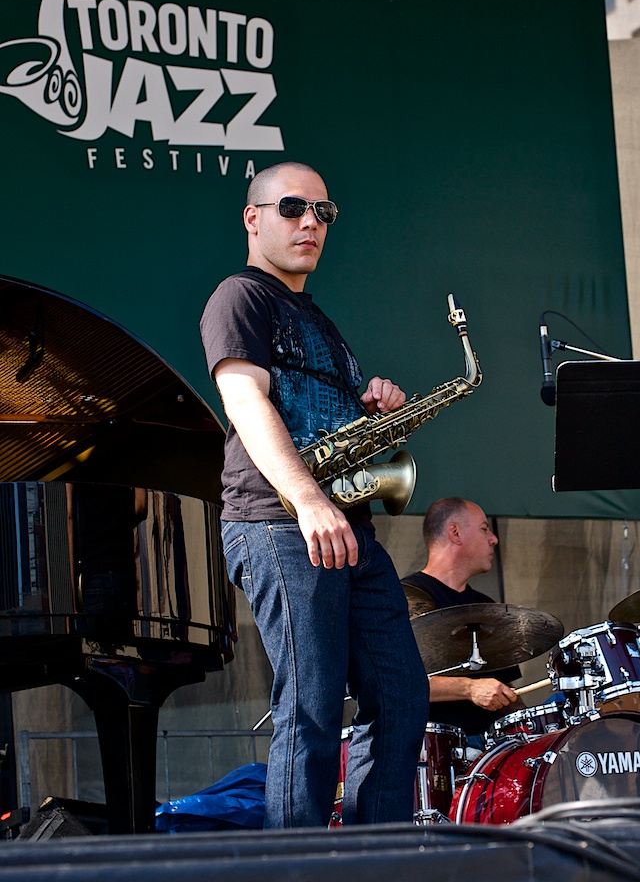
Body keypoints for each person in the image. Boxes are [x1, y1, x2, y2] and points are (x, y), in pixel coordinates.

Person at [200, 161, 429, 829]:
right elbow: (245, 402)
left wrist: (373, 406)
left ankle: (369, 860)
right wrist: (308, 502)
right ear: (253, 218)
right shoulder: (239, 296)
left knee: (401, 695)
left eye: (322, 213)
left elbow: (320, 419)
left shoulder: (317, 319)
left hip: (345, 529)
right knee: (312, 706)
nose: (310, 222)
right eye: (293, 208)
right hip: (281, 524)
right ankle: (297, 870)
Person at [401, 496, 523, 744]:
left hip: (488, 755)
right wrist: (469, 689)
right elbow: (391, 683)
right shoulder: (401, 598)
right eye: (484, 528)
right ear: (455, 533)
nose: (494, 539)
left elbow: (505, 690)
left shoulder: (488, 608)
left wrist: (538, 728)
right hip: (423, 752)